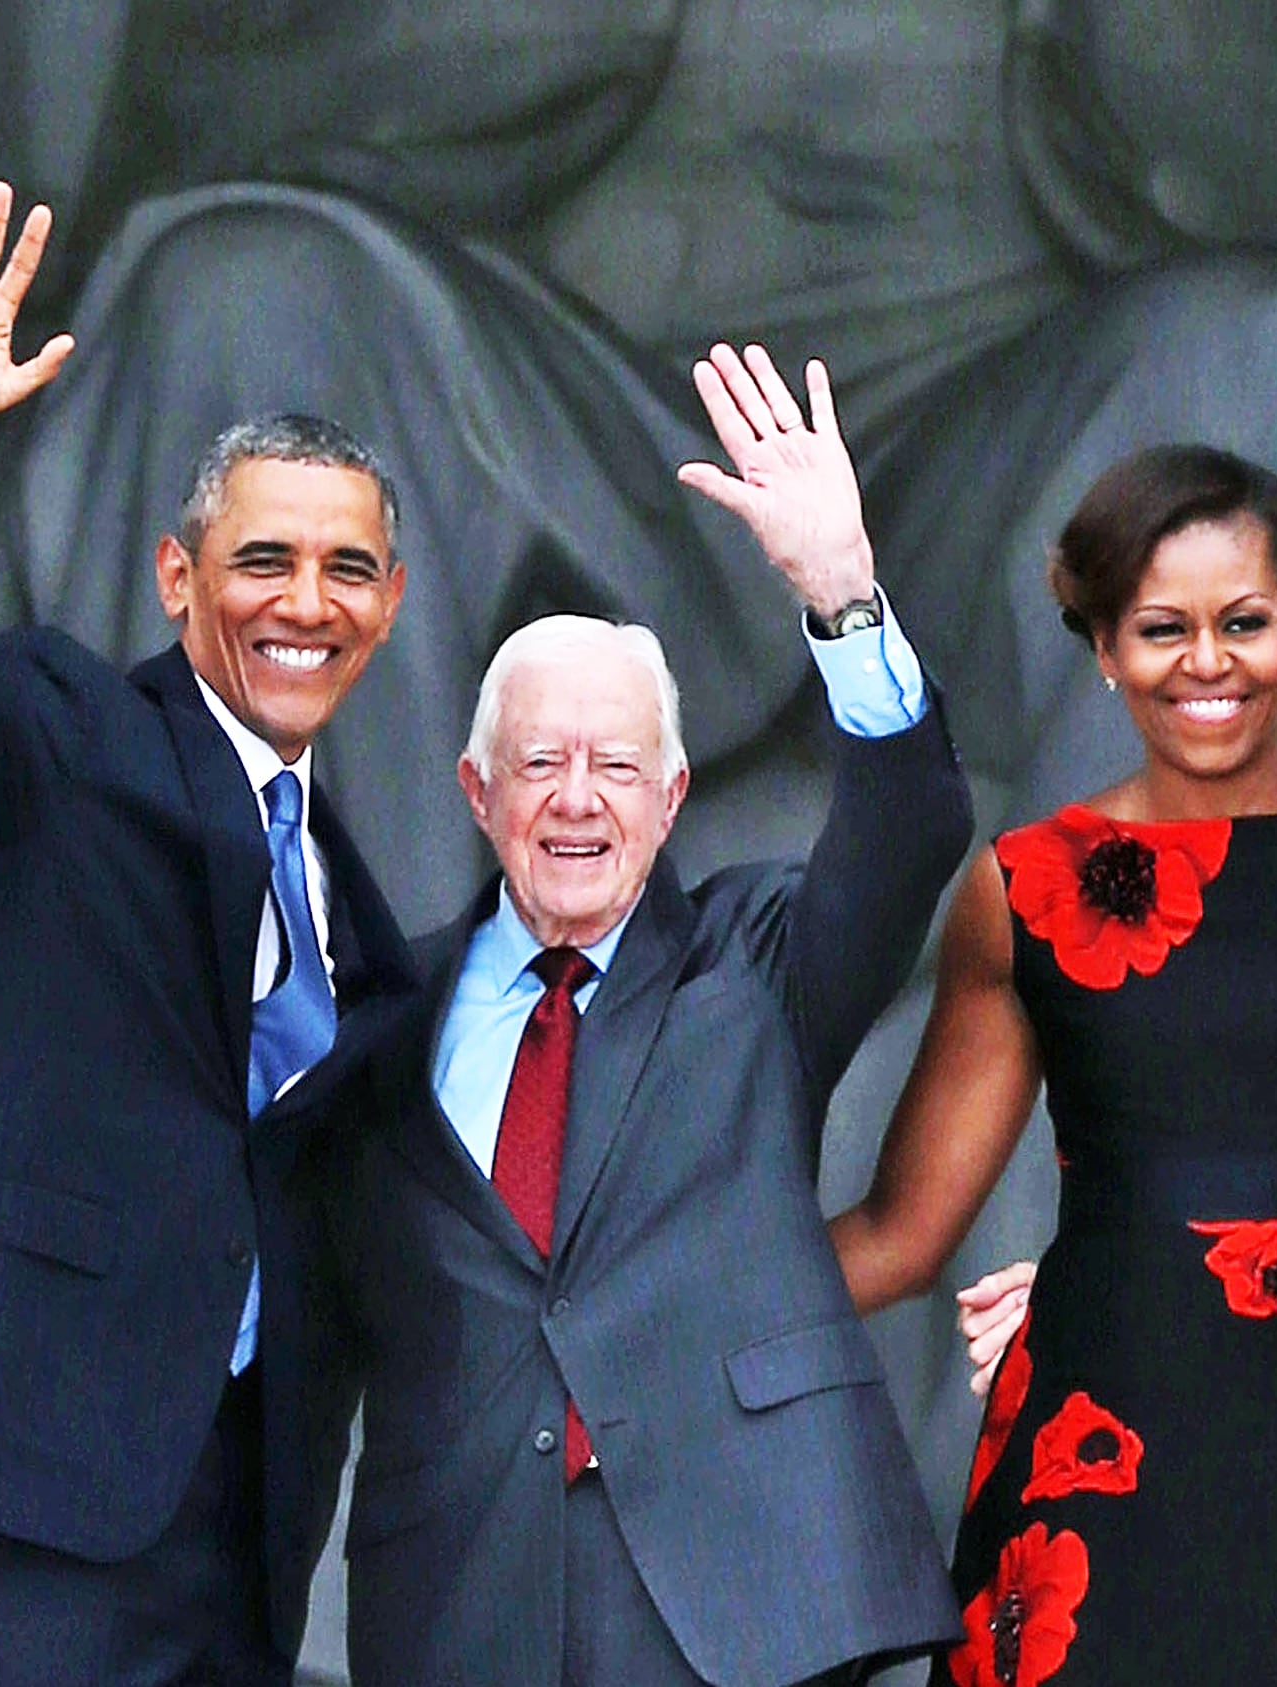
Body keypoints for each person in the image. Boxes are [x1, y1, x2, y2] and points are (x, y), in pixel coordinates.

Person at [285, 344, 969, 1687]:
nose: (578, 797)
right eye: (542, 761)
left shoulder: (757, 959)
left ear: (670, 798)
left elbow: (910, 826)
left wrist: (838, 587)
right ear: (481, 792)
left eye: (617, 765)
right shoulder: (375, 1006)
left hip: (743, 1583)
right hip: (464, 1596)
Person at [0, 182, 415, 1685]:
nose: (305, 602)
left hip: (230, 1543)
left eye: (346, 569)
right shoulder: (67, 731)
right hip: (13, 1491)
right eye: (263, 558)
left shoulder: (365, 913)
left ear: (389, 606)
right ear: (177, 577)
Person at [825, 443, 1277, 1683]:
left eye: (1245, 622)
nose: (1207, 663)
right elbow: (905, 1232)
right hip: (1103, 1439)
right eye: (1160, 627)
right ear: (1102, 646)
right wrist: (666, 1310)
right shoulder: (1024, 884)